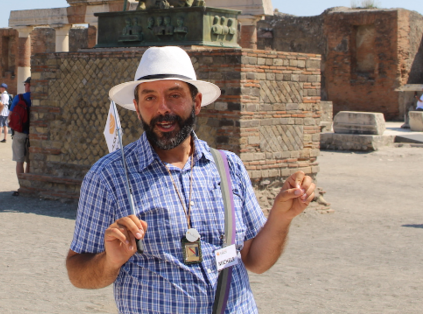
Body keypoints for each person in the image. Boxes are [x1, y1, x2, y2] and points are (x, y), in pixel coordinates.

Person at [66, 46, 316, 313]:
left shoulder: (228, 167)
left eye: (174, 95)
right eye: (150, 98)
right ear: (137, 108)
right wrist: (109, 262)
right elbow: (77, 271)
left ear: (196, 103)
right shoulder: (108, 176)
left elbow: (255, 260)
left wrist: (281, 216)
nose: (163, 108)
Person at [9, 77, 31, 195]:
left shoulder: (19, 97)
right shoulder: (38, 98)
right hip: (33, 134)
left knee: (19, 161)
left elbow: (11, 115)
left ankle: (22, 186)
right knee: (30, 161)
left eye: (26, 84)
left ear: (28, 85)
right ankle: (27, 185)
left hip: (20, 132)